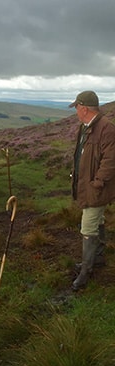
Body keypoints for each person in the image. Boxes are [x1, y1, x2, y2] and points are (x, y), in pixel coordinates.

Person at [69, 90, 115, 291]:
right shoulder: (85, 126)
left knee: (88, 227)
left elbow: (110, 160)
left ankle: (85, 271)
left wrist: (98, 182)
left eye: (77, 108)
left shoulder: (107, 129)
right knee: (99, 221)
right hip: (87, 186)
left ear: (84, 108)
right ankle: (98, 258)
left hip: (96, 188)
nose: (76, 112)